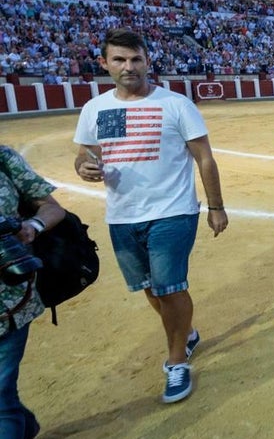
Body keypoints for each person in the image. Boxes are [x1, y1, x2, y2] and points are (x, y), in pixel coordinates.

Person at [74, 28, 228, 404]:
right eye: (120, 60)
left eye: (136, 59)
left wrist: (216, 206)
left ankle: (177, 362)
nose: (129, 66)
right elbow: (85, 153)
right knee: (149, 287)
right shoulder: (96, 109)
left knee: (170, 287)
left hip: (172, 211)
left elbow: (204, 157)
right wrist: (84, 167)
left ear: (148, 60)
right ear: (105, 63)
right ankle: (186, 333)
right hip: (122, 214)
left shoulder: (176, 104)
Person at [0, 147, 65, 439]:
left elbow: (51, 208)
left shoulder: (3, 158)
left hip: (8, 300)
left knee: (0, 398)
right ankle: (23, 424)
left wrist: (32, 228)